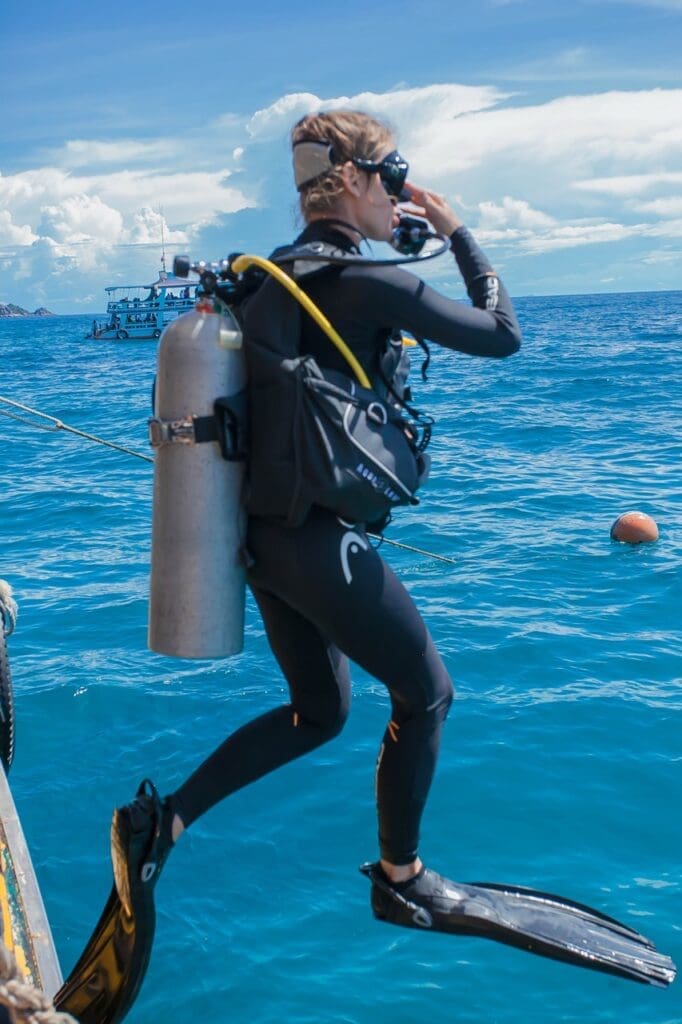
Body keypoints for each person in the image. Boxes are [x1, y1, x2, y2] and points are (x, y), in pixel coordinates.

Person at [119, 109, 521, 912]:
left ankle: (161, 825)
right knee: (428, 695)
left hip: (257, 539)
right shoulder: (370, 285)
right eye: (395, 179)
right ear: (360, 181)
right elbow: (502, 333)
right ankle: (402, 880)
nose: (400, 200)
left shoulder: (261, 282)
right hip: (317, 539)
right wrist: (458, 230)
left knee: (322, 712)